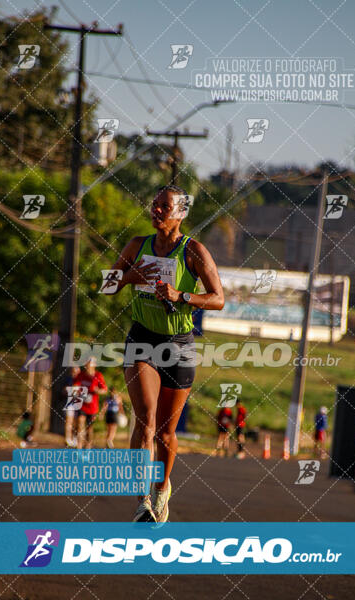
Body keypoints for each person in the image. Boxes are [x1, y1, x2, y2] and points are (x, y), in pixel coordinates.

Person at [108, 184, 224, 522]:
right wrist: (131, 276)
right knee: (144, 420)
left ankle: (161, 490)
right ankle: (142, 500)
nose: (156, 211)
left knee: (165, 433)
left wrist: (180, 296)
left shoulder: (194, 252)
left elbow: (218, 299)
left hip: (179, 345)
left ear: (181, 213)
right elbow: (107, 286)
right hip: (142, 340)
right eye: (154, 204)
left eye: (164, 206)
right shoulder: (137, 246)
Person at [73, 357, 107, 449]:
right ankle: (78, 448)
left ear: (94, 365)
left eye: (90, 363)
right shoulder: (81, 375)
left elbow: (104, 390)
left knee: (89, 429)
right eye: (87, 363)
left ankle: (87, 449)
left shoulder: (98, 376)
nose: (87, 365)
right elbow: (75, 385)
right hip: (82, 405)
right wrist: (76, 391)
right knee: (80, 424)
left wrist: (97, 390)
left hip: (92, 407)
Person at [63, 366, 81, 447]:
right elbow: (63, 391)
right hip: (69, 403)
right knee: (69, 421)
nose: (76, 372)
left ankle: (75, 438)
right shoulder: (68, 379)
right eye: (74, 371)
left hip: (79, 403)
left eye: (77, 370)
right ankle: (67, 438)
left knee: (77, 422)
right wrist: (68, 390)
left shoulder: (82, 379)